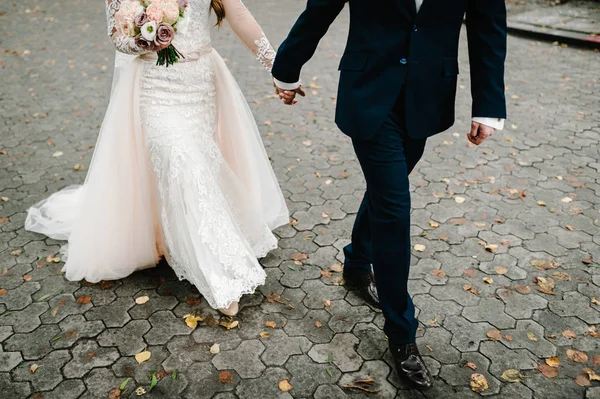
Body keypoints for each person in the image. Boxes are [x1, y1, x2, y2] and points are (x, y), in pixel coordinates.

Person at [272, 0, 507, 389]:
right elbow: (321, 7)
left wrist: (488, 105)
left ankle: (356, 261)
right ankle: (401, 333)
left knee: (385, 194)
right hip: (368, 92)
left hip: (426, 98)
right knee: (394, 207)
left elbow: (488, 27)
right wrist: (287, 67)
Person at [25, 0, 289, 317]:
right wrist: (140, 38)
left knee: (199, 161)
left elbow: (239, 14)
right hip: (155, 85)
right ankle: (217, 271)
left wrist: (276, 65)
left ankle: (170, 233)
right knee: (182, 161)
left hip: (201, 82)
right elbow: (116, 36)